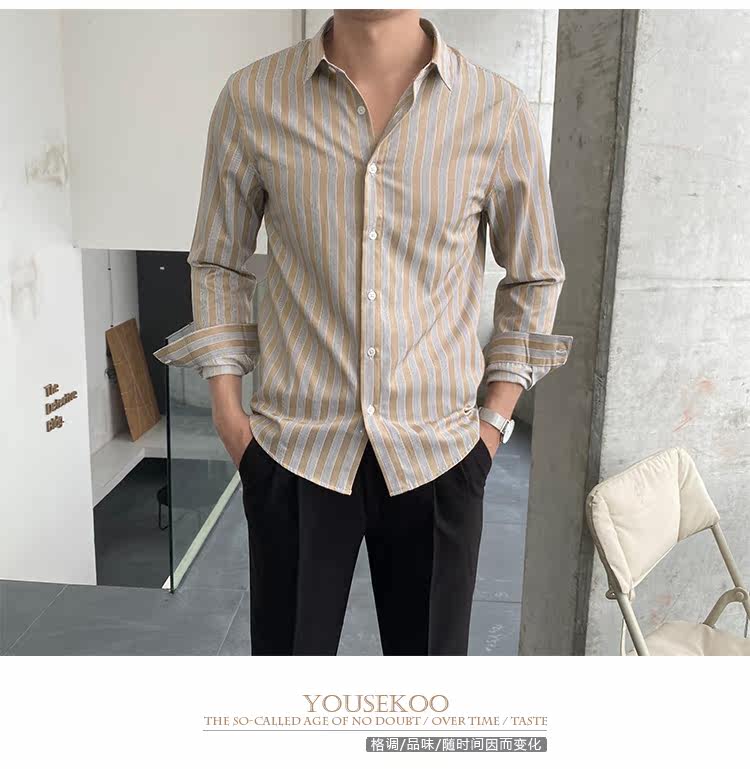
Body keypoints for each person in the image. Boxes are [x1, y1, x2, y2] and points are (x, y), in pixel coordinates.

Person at [154, 9, 572, 655]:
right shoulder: (252, 98)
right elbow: (218, 261)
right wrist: (230, 417)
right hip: (295, 449)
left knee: (427, 686)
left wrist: (492, 424)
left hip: (440, 451)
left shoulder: (497, 110)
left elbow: (535, 274)